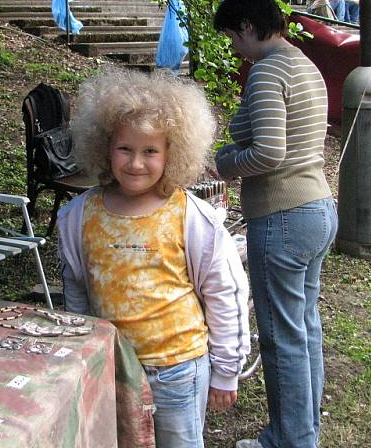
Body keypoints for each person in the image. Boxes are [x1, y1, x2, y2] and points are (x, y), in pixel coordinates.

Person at [58, 69, 250, 448]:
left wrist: (226, 371)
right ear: (104, 147)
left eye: (150, 151)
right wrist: (80, 352)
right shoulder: (79, 216)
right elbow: (77, 290)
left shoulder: (193, 217)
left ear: (172, 153)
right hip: (110, 368)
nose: (136, 163)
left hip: (177, 370)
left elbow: (224, 293)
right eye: (125, 149)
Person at [213, 0, 337, 448]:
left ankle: (289, 441)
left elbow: (268, 151)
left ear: (247, 26)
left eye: (232, 36)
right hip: (318, 208)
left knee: (282, 338)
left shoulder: (267, 73)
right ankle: (304, 432)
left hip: (284, 214)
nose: (234, 48)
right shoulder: (305, 65)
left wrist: (223, 164)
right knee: (304, 328)